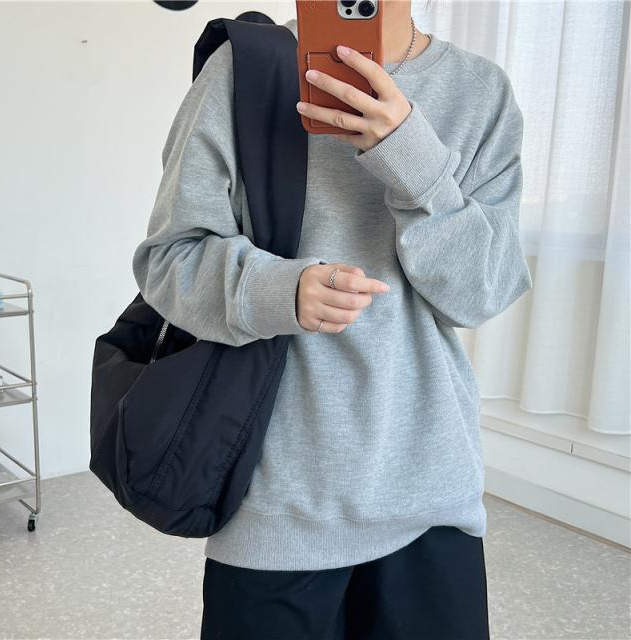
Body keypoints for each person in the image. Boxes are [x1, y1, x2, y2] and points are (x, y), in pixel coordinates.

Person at [131, 0, 532, 637]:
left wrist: (412, 159)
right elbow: (168, 261)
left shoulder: (481, 92)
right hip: (275, 509)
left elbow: (482, 293)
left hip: (431, 500)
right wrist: (279, 291)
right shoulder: (245, 70)